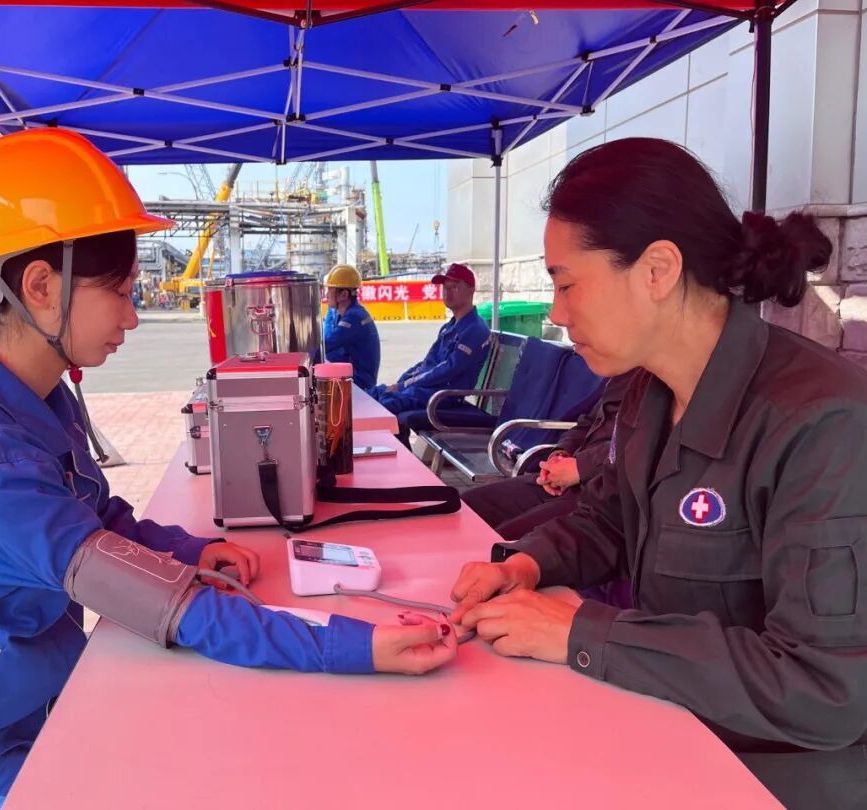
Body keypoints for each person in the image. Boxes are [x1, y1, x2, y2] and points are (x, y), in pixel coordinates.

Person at [0, 129, 456, 809]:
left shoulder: (33, 396)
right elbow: (162, 605)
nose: (133, 317)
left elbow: (95, 518)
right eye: (119, 291)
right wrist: (353, 646)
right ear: (41, 287)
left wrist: (189, 551)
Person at [447, 137, 867, 809]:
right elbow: (612, 518)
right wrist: (526, 565)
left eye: (566, 283)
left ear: (658, 270)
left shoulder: (821, 424)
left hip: (771, 774)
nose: (556, 313)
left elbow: (823, 690)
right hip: (664, 725)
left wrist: (582, 633)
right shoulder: (651, 390)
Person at [462, 369, 632, 540]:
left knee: (497, 540)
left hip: (606, 497)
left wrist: (580, 467)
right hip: (570, 480)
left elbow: (638, 445)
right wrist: (560, 454)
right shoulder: (625, 375)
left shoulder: (648, 387)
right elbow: (587, 423)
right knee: (465, 508)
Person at [371, 263, 491, 443]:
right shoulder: (450, 327)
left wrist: (404, 385)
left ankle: (400, 457)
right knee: (375, 393)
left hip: (443, 395)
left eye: (454, 287)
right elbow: (428, 362)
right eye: (444, 288)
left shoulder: (474, 329)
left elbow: (448, 370)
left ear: (471, 290)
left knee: (385, 405)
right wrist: (403, 381)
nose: (447, 293)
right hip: (427, 389)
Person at [323, 263, 380, 391]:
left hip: (360, 382)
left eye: (330, 290)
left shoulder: (354, 318)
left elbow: (326, 344)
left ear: (344, 295)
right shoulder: (345, 312)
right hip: (354, 374)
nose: (326, 295)